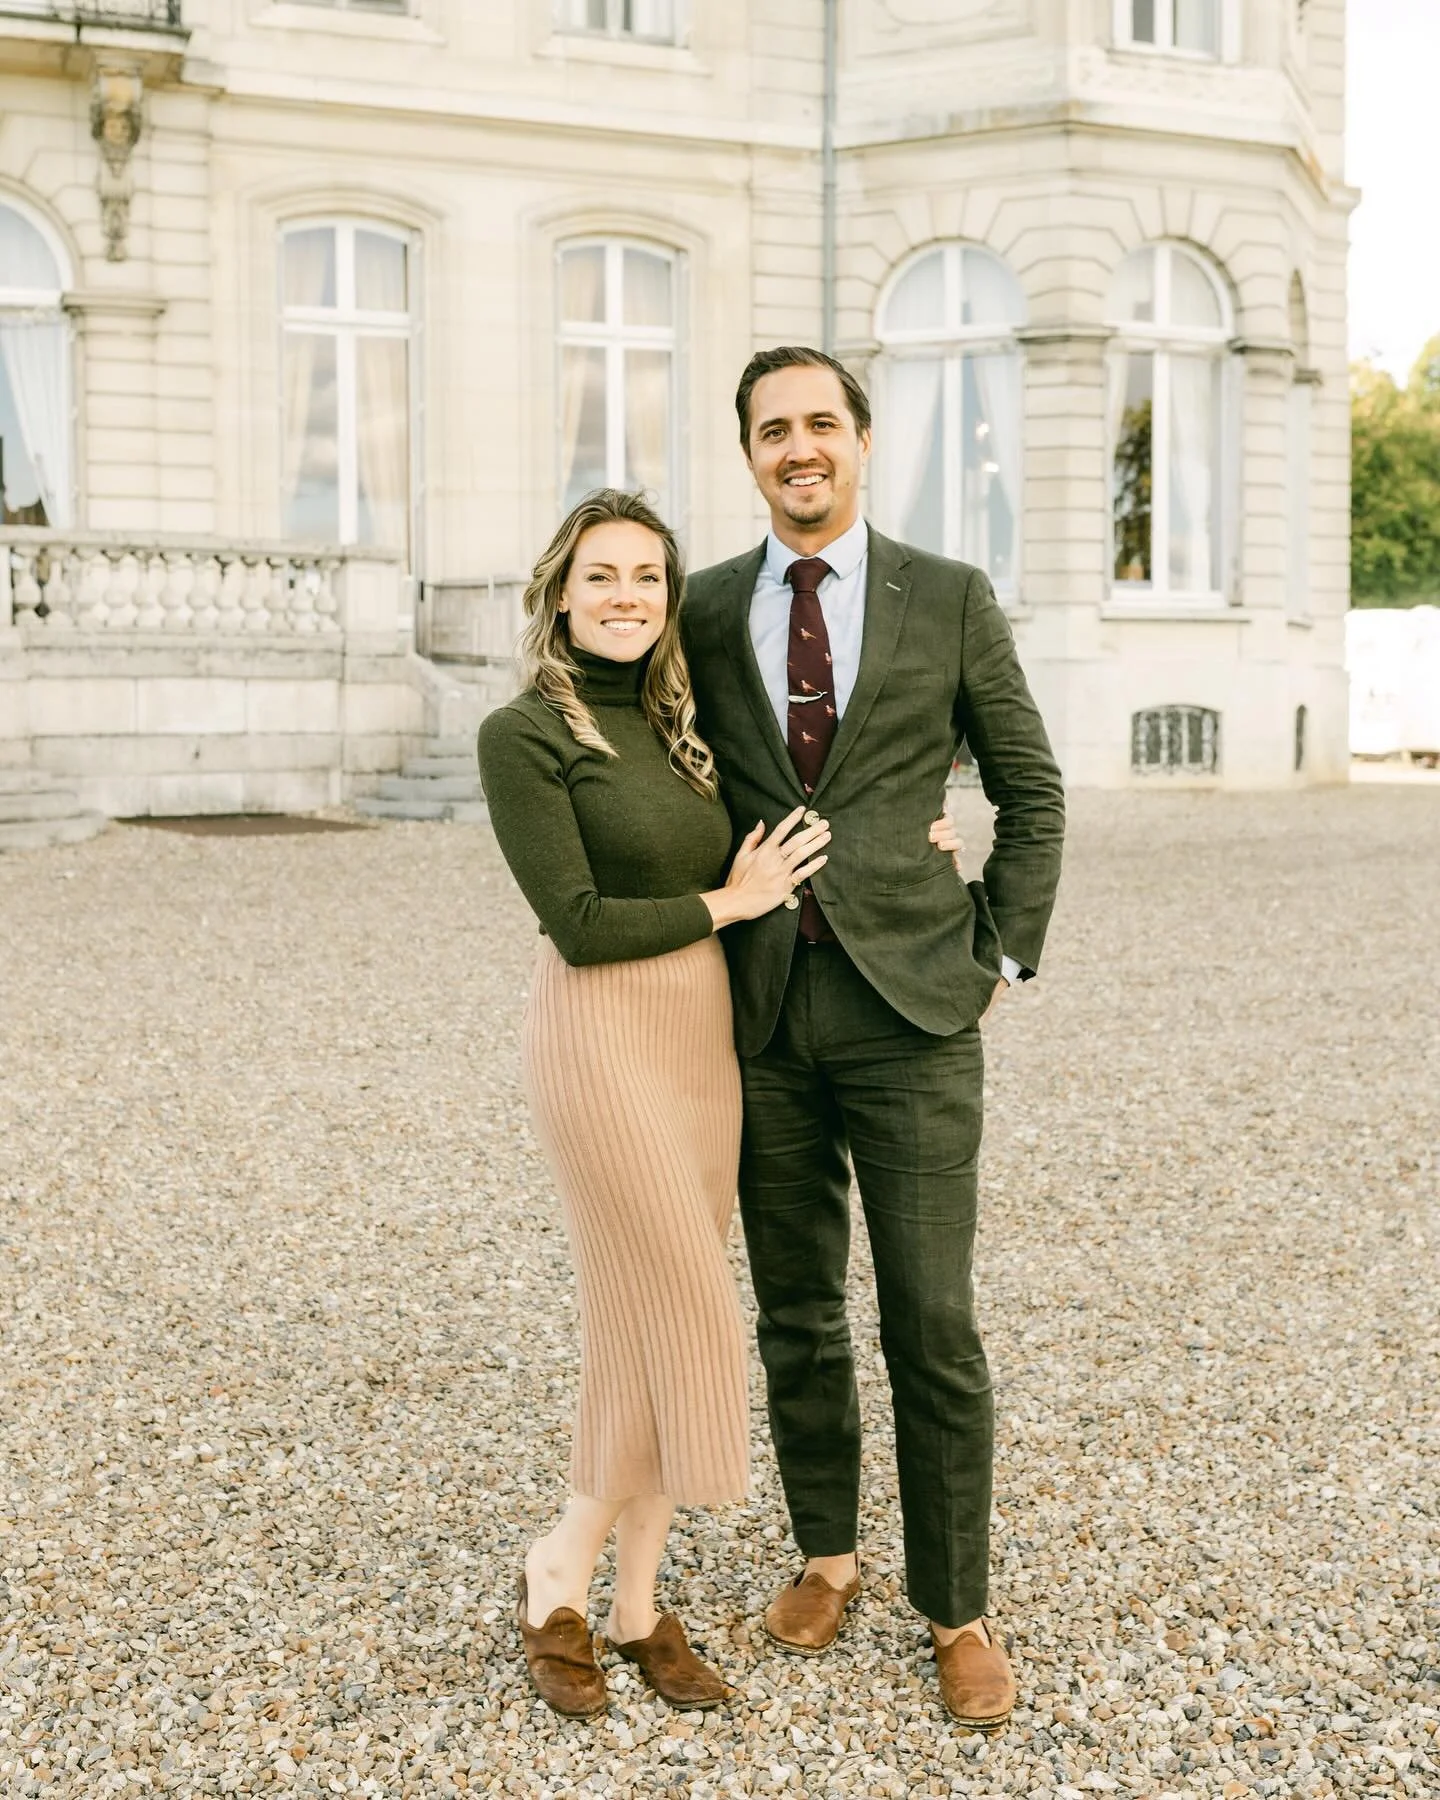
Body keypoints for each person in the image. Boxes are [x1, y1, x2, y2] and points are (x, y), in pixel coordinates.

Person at [476, 488, 964, 1719]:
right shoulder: (524, 733)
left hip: (705, 1042)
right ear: (561, 592)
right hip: (601, 1039)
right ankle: (561, 1565)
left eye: (647, 575)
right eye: (602, 576)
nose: (627, 596)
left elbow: (846, 774)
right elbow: (578, 924)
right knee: (682, 1307)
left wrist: (937, 839)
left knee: (642, 1327)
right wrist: (730, 907)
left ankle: (636, 1604)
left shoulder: (678, 721)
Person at [681, 347, 1066, 1731]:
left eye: (821, 425)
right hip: (765, 1016)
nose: (800, 448)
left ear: (860, 440)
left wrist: (1000, 952)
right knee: (794, 1307)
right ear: (747, 453)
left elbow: (1027, 784)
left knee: (933, 1320)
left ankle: (956, 1604)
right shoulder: (703, 606)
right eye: (773, 430)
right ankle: (828, 1553)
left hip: (915, 1012)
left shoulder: (947, 596)